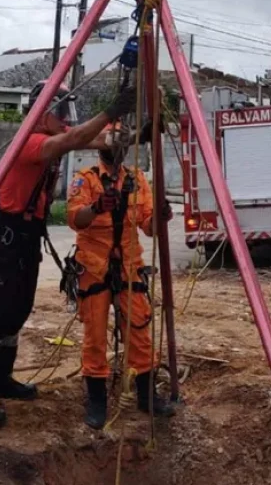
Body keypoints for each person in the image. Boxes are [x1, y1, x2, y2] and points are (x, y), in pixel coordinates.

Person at [0, 81, 138, 428]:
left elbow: (95, 139)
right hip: (4, 238)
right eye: (60, 112)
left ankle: (3, 378)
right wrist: (110, 111)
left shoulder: (55, 136)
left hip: (27, 238)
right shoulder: (30, 141)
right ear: (41, 113)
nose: (66, 119)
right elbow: (73, 140)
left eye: (69, 112)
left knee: (19, 308)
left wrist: (129, 134)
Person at [67, 137, 176, 429]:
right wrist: (97, 207)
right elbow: (75, 218)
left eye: (120, 143)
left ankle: (145, 394)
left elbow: (148, 226)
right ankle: (97, 401)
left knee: (139, 329)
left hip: (129, 266)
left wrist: (161, 218)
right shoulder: (85, 179)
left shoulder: (137, 179)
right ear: (100, 148)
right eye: (109, 142)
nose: (115, 149)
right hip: (94, 267)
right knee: (95, 334)